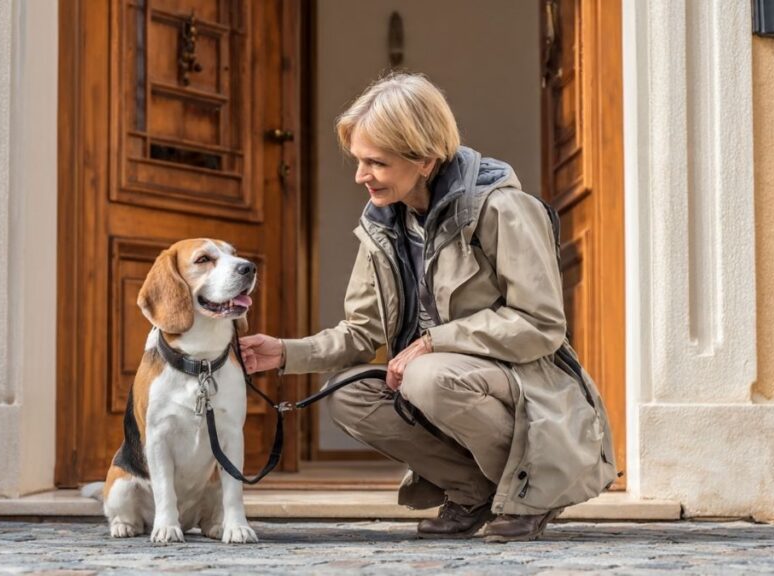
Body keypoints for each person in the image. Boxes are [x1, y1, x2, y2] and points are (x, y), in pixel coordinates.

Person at [239, 72, 616, 543]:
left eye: (376, 162)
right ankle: (473, 490)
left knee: (427, 375)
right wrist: (284, 352)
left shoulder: (502, 208)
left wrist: (434, 342)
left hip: (524, 381)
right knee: (348, 395)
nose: (361, 176)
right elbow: (360, 334)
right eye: (358, 160)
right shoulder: (382, 226)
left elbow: (540, 324)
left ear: (425, 159)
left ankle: (535, 492)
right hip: (444, 379)